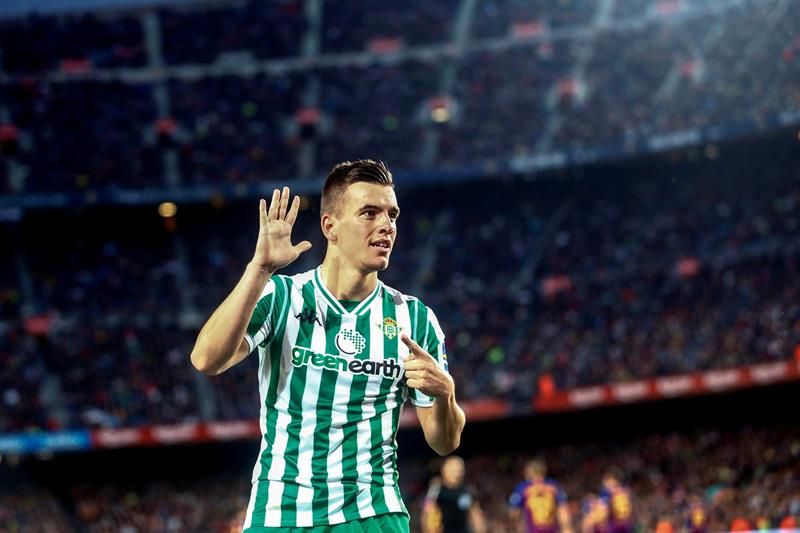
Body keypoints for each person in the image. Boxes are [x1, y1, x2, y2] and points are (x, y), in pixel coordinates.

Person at [190, 160, 466, 532]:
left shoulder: (415, 319)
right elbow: (206, 359)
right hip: (281, 512)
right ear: (329, 226)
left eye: (392, 215)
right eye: (369, 213)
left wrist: (446, 394)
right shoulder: (282, 296)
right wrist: (258, 269)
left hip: (373, 515)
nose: (387, 225)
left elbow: (444, 442)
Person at [421, 456, 486, 533]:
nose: (457, 471)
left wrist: (480, 529)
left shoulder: (467, 490)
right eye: (453, 468)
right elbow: (426, 512)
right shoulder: (435, 489)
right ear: (444, 470)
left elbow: (476, 514)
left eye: (460, 468)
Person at [509, 458, 573, 533]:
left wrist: (515, 527)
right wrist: (567, 528)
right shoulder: (554, 485)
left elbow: (514, 512)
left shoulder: (523, 487)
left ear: (528, 472)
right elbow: (563, 509)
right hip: (552, 529)